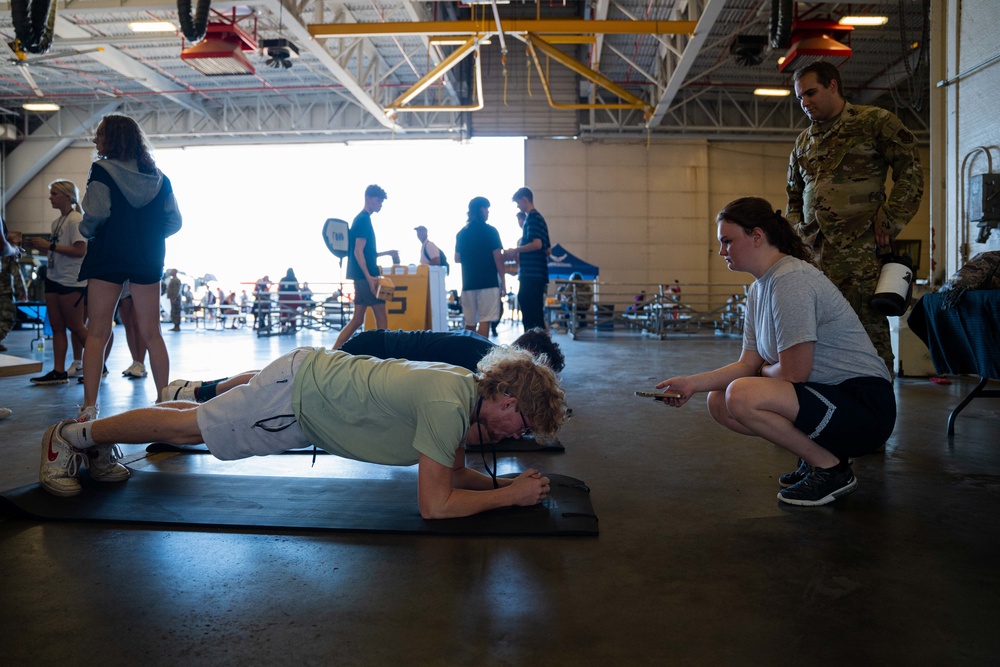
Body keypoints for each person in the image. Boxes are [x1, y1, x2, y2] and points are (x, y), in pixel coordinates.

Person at [41, 346, 567, 520]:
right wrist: (508, 498)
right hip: (297, 399)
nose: (516, 435)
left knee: (197, 429)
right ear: (508, 400)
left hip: (306, 390)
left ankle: (102, 434)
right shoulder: (449, 401)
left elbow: (453, 475)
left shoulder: (463, 391)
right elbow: (434, 505)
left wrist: (504, 488)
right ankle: (73, 437)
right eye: (521, 424)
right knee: (189, 429)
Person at [654, 197, 895, 507]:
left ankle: (832, 469)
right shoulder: (759, 288)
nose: (721, 251)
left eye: (727, 241)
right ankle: (818, 458)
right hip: (829, 399)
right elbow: (748, 364)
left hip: (865, 406)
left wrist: (763, 371)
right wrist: (691, 383)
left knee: (740, 394)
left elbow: (794, 373)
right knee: (719, 400)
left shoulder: (790, 280)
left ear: (756, 236)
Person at [786, 60, 924, 373]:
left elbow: (911, 168)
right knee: (816, 334)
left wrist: (891, 218)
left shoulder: (874, 122)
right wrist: (797, 235)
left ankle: (877, 407)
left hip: (860, 251)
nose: (805, 103)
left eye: (811, 93)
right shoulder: (804, 142)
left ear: (833, 85)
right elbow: (793, 195)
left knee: (867, 334)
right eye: (799, 98)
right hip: (813, 256)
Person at [76, 113, 182, 421]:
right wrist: (147, 233)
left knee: (97, 332)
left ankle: (89, 409)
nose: (95, 140)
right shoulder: (159, 177)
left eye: (99, 134)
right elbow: (174, 221)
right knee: (153, 333)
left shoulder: (101, 171)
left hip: (108, 254)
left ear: (112, 139)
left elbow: (95, 213)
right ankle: (165, 405)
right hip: (148, 255)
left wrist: (86, 232)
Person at [162, 326, 566, 403]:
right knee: (281, 381)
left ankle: (198, 388)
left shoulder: (488, 351)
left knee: (281, 378)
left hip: (378, 348)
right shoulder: (485, 360)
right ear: (525, 358)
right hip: (372, 349)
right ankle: (198, 390)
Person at [24, 180, 89, 385]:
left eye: (54, 194)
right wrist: (41, 247)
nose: (50, 197)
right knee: (57, 326)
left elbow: (80, 250)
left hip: (71, 280)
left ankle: (99, 363)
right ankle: (59, 370)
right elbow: (58, 249)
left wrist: (49, 245)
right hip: (54, 277)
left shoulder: (75, 220)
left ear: (67, 198)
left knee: (76, 326)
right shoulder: (57, 222)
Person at [333, 184, 399, 349]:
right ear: (368, 198)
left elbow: (366, 252)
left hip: (360, 274)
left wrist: (386, 253)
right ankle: (383, 355)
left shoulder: (361, 219)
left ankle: (333, 351)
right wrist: (369, 277)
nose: (380, 204)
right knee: (381, 317)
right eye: (378, 200)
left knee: (357, 320)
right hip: (366, 275)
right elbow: (358, 251)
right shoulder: (363, 220)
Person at [455, 196, 505, 338]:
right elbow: (498, 257)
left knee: (470, 322)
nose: (488, 212)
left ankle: (467, 356)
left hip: (468, 283)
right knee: (485, 320)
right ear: (482, 209)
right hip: (488, 283)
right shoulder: (491, 231)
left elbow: (457, 258)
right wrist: (503, 281)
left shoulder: (462, 233)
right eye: (487, 209)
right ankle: (480, 356)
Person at [506, 187, 550, 331]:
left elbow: (537, 244)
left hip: (531, 275)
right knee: (536, 312)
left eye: (519, 204)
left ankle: (532, 345)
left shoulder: (532, 218)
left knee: (529, 309)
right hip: (538, 274)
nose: (519, 207)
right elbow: (547, 249)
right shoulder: (540, 219)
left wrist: (517, 250)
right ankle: (538, 345)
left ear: (525, 200)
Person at [1, 226, 28, 355]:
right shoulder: (8, 252)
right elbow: (16, 274)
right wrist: (22, 291)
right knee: (8, 317)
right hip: (4, 291)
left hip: (4, 290)